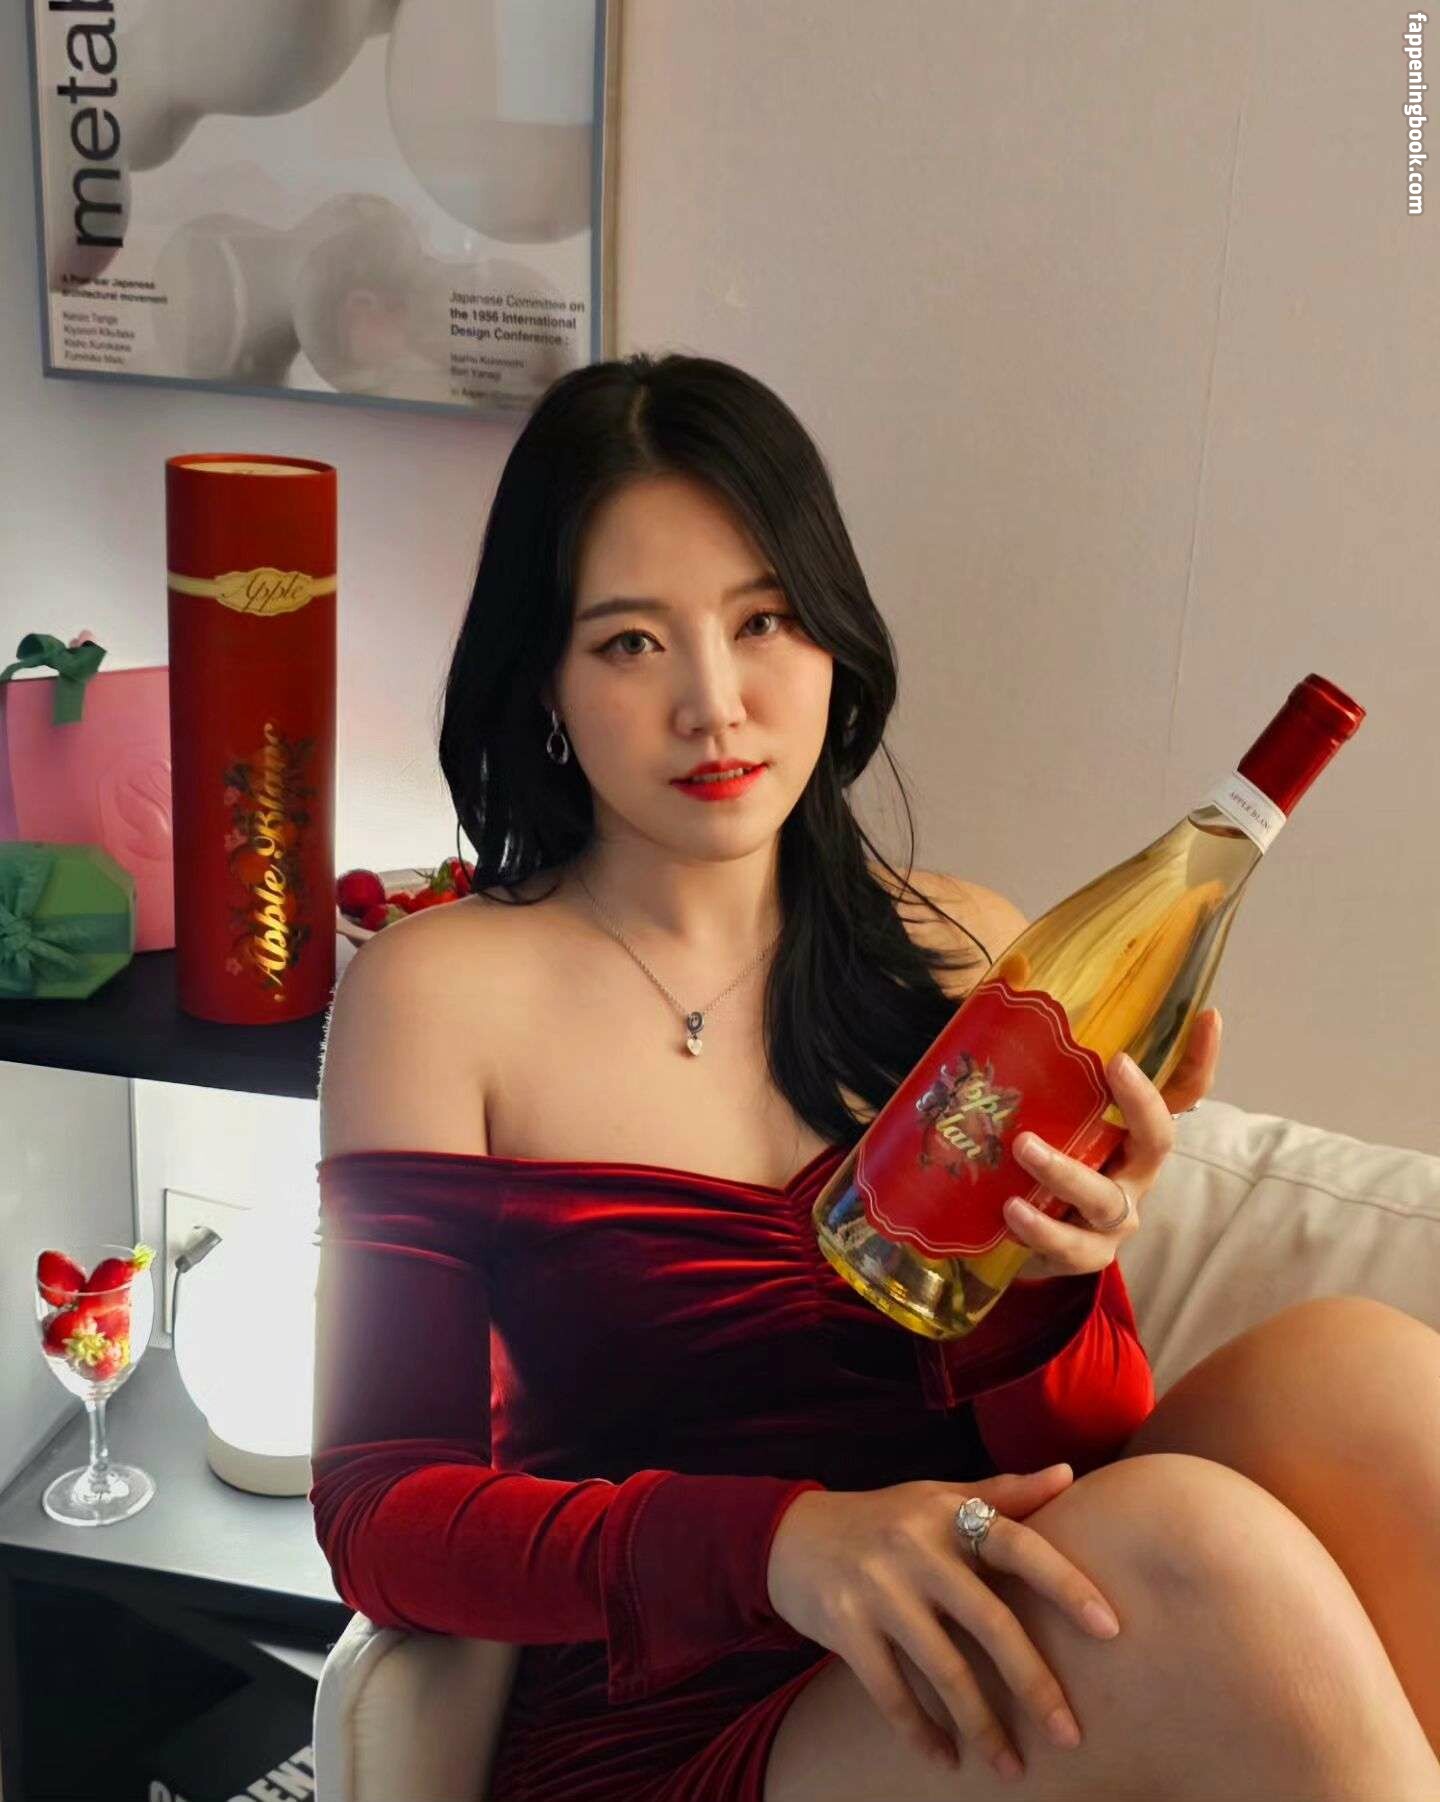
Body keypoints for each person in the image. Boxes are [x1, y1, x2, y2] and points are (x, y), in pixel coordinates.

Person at [310, 352, 1440, 1802]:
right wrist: (783, 1542)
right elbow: (380, 1512)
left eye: (763, 620)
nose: (716, 705)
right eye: (631, 642)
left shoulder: (960, 955)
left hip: (960, 1603)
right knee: (1194, 1546)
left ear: (832, 635)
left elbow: (1086, 1443)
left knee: (1360, 1380)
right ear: (547, 677)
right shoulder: (439, 993)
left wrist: (1054, 1280)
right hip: (675, 1702)